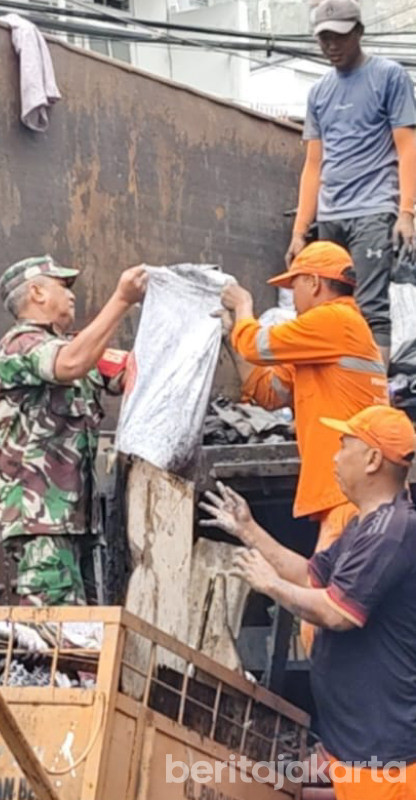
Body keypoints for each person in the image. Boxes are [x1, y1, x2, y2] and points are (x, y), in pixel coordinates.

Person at [201, 406, 416, 800]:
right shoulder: (364, 526)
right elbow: (310, 576)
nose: (334, 457)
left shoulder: (392, 533)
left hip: (383, 751)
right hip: (355, 745)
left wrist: (270, 586)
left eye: (344, 445)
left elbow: (336, 613)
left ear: (372, 460)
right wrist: (249, 530)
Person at [221, 241, 387, 651]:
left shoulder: (333, 320)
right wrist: (232, 333)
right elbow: (270, 391)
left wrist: (243, 308)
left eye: (294, 286)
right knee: (325, 603)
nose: (292, 297)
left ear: (314, 283)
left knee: (324, 615)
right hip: (340, 491)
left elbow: (256, 345)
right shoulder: (323, 337)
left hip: (346, 492)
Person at [0, 255, 146, 606]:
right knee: (55, 638)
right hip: (41, 522)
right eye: (63, 286)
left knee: (85, 638)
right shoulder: (19, 345)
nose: (72, 295)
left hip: (78, 522)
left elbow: (126, 369)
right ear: (36, 292)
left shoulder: (77, 346)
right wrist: (122, 299)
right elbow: (70, 364)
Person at [287, 0, 416, 362]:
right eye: (324, 38)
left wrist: (406, 212)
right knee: (330, 306)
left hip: (374, 211)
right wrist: (300, 231)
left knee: (371, 306)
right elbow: (313, 165)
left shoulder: (388, 77)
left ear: (358, 32)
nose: (331, 46)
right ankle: (340, 391)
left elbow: (408, 147)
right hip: (331, 217)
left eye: (339, 37)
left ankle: (373, 396)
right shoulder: (319, 93)